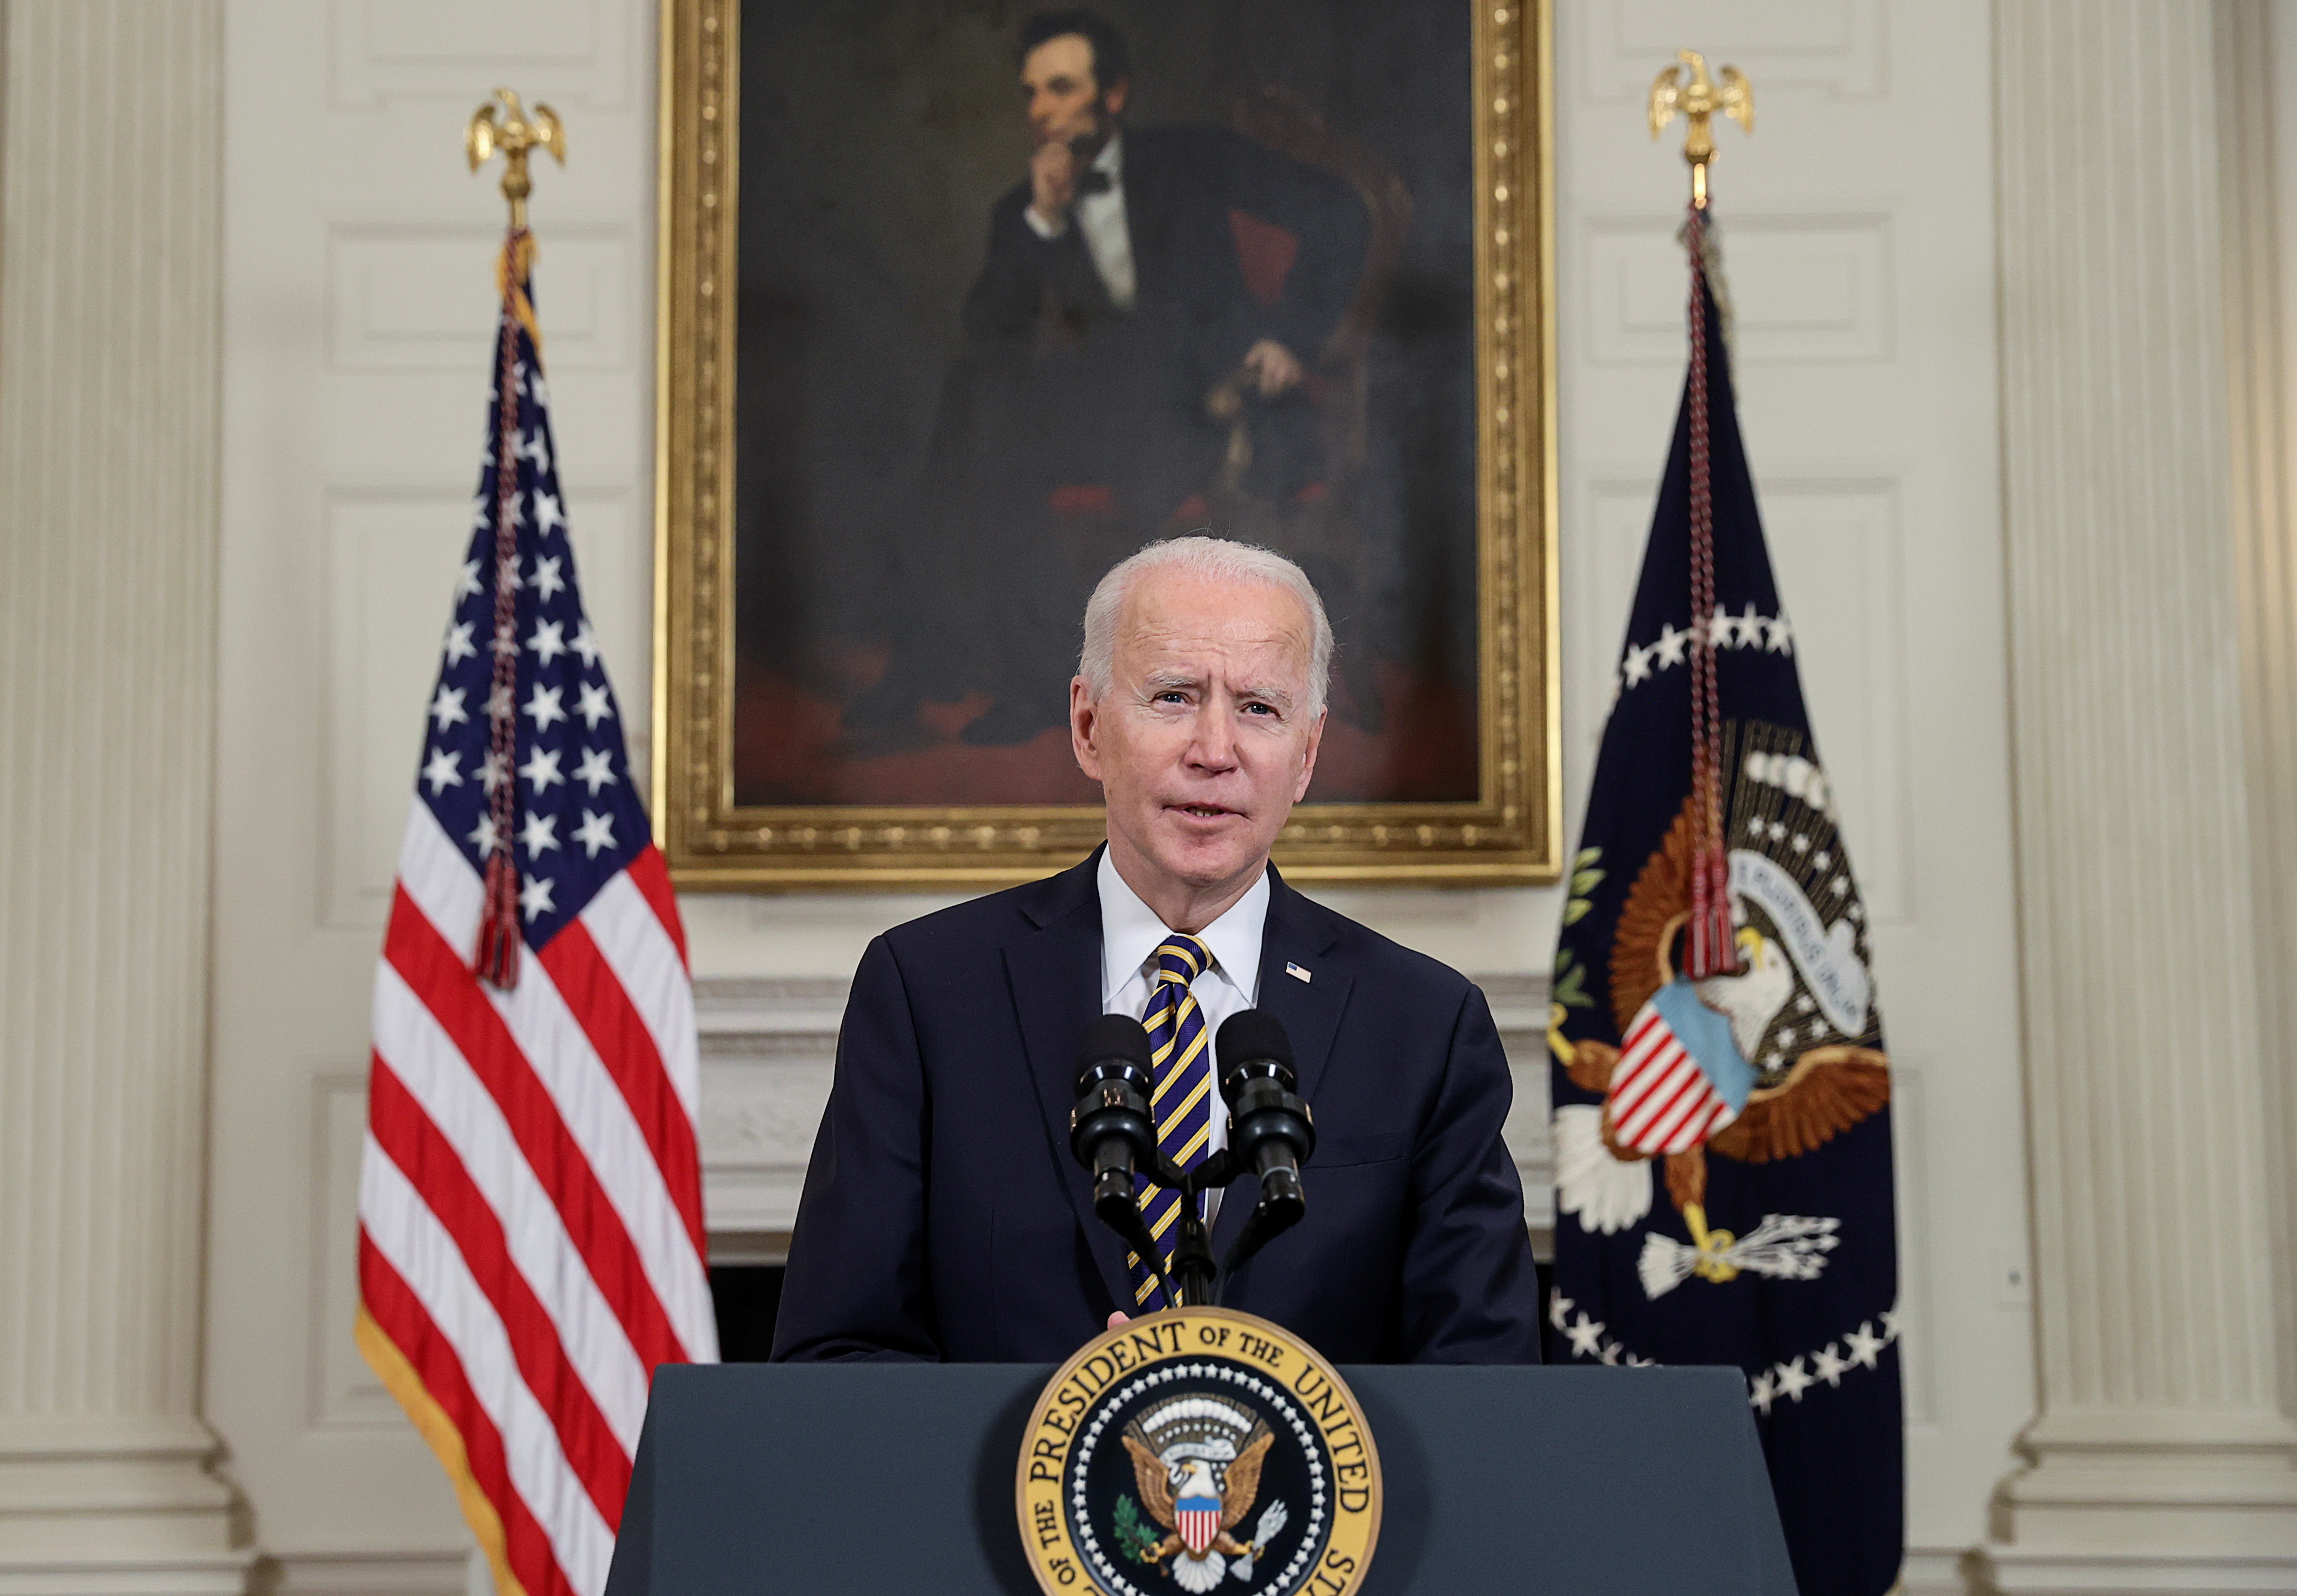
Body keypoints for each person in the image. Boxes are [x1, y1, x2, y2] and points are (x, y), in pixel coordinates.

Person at [775, 536, 1542, 1362]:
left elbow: (1484, 1379)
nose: (1214, 751)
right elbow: (837, 1354)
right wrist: (1068, 1417)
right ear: (1088, 727)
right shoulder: (928, 992)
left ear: (1307, 754)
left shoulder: (1423, 1024)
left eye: (1259, 708)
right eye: (1174, 697)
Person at [845, 8, 1371, 749]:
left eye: (1061, 88)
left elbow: (1341, 213)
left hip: (1214, 407)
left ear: (1114, 93)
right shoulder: (1023, 207)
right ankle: (985, 665)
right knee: (975, 395)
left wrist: (1290, 336)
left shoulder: (1193, 158)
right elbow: (990, 333)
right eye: (1032, 92)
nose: (1041, 110)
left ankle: (935, 658)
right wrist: (1043, 219)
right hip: (1109, 416)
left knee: (982, 424)